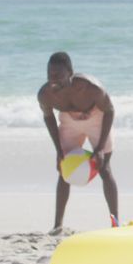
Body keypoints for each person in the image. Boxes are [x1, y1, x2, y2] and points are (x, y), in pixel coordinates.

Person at [37, 52, 119, 234]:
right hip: (69, 121)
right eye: (50, 76)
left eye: (58, 76)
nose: (53, 81)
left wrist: (98, 149)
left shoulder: (91, 88)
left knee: (104, 169)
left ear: (70, 73)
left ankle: (115, 223)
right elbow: (49, 118)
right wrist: (58, 150)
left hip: (97, 118)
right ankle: (57, 225)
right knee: (64, 169)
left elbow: (110, 111)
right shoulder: (45, 94)